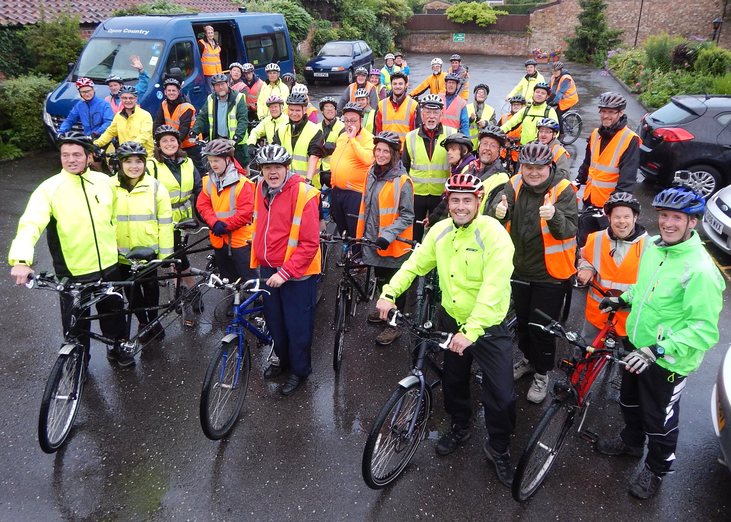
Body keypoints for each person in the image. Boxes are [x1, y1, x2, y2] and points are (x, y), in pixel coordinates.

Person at [376, 172, 516, 488]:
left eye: (468, 200)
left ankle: (499, 448)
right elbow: (414, 265)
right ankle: (460, 425)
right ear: (448, 202)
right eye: (456, 200)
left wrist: (473, 330)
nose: (461, 206)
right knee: (454, 380)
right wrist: (389, 293)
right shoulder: (440, 231)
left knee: (503, 395)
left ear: (479, 202)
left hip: (488, 325)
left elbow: (494, 286)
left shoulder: (493, 234)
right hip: (452, 319)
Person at [595, 185, 724, 500]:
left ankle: (656, 469)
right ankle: (631, 442)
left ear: (692, 222)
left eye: (677, 218)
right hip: (637, 346)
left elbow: (704, 329)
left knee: (660, 420)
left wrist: (660, 349)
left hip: (666, 361)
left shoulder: (701, 271)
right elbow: (644, 290)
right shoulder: (655, 247)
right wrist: (623, 300)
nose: (667, 223)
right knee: (628, 402)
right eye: (664, 215)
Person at [8, 132, 126, 366]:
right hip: (74, 270)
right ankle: (78, 362)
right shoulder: (50, 188)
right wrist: (21, 259)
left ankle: (117, 349)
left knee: (114, 314)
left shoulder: (104, 182)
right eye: (65, 155)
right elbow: (31, 222)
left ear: (89, 156)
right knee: (76, 324)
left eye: (76, 154)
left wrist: (117, 244)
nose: (71, 159)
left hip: (109, 265)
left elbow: (113, 217)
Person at [490, 142, 578, 404]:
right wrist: (498, 213)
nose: (533, 172)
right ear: (522, 167)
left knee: (542, 329)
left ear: (549, 166)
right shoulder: (514, 184)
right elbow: (495, 217)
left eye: (539, 167)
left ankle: (542, 373)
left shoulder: (563, 190)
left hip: (550, 275)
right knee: (524, 325)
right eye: (528, 167)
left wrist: (554, 216)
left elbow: (570, 230)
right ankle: (528, 361)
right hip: (518, 269)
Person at [250, 145, 321, 396]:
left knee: (297, 326)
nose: (272, 172)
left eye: (277, 167)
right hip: (269, 267)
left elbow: (310, 243)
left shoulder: (305, 194)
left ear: (286, 168)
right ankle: (283, 360)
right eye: (267, 168)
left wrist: (286, 272)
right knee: (276, 323)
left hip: (297, 274)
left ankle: (300, 371)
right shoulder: (260, 188)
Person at [111, 141, 173, 347]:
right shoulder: (109, 187)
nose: (134, 166)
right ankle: (143, 322)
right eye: (128, 161)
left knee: (151, 287)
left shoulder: (155, 187)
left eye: (139, 161)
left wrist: (165, 256)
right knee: (132, 292)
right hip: (120, 253)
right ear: (120, 164)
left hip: (149, 252)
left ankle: (153, 320)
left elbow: (165, 223)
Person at [357, 131, 414, 346]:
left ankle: (394, 324)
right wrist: (361, 237)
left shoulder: (402, 181)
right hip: (373, 241)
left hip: (393, 245)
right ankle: (385, 311)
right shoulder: (372, 173)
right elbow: (367, 207)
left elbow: (408, 215)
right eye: (378, 150)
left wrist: (387, 235)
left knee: (395, 285)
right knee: (381, 280)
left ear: (394, 154)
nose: (380, 154)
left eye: (385, 151)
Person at [575, 192, 647, 344]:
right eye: (616, 217)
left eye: (626, 217)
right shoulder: (596, 238)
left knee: (624, 361)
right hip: (597, 313)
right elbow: (584, 257)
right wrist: (586, 268)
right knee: (584, 351)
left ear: (635, 217)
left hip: (629, 319)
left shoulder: (650, 247)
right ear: (608, 218)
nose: (621, 221)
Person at [148, 125, 202, 297]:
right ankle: (192, 290)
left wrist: (203, 215)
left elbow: (198, 188)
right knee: (177, 256)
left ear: (178, 143)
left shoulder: (188, 162)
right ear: (158, 144)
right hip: (163, 219)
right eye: (164, 141)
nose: (169, 144)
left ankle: (178, 289)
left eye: (172, 140)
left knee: (177, 255)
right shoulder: (151, 165)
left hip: (184, 217)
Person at [196, 139, 256, 285]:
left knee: (250, 282)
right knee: (227, 281)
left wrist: (224, 225)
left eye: (216, 160)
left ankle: (257, 303)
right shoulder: (208, 181)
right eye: (210, 161)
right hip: (219, 240)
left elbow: (246, 214)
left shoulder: (244, 184)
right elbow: (202, 204)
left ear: (228, 159)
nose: (213, 164)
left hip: (240, 243)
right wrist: (214, 222)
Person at [427, 126, 510, 225]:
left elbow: (494, 210)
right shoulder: (468, 168)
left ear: (500, 151)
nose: (487, 148)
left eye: (493, 146)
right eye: (485, 143)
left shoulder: (501, 178)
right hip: (456, 228)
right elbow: (450, 199)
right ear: (479, 146)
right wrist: (433, 219)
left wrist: (500, 213)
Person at [402, 94, 455, 240]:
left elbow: (458, 166)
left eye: (435, 112)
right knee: (415, 230)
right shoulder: (410, 137)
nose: (431, 116)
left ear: (441, 114)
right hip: (417, 194)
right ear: (421, 114)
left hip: (440, 194)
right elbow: (404, 167)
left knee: (439, 230)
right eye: (427, 112)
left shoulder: (452, 135)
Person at [575, 92, 640, 210]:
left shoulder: (630, 139)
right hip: (589, 200)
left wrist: (614, 207)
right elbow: (587, 163)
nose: (605, 116)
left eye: (610, 112)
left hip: (608, 207)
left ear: (621, 113)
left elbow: (627, 179)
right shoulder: (595, 134)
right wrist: (578, 181)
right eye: (603, 111)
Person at [329, 102, 374, 239]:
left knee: (354, 230)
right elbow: (336, 159)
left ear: (361, 120)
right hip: (337, 190)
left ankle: (356, 255)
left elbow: (368, 159)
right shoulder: (342, 136)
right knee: (341, 227)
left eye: (353, 120)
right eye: (346, 120)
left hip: (355, 193)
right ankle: (345, 250)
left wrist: (353, 139)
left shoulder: (368, 138)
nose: (349, 124)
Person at [190, 73, 250, 167]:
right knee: (220, 169)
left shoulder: (238, 98)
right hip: (218, 140)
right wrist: (194, 132)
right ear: (213, 87)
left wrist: (236, 137)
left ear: (227, 84)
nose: (220, 87)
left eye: (222, 84)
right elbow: (202, 116)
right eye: (217, 85)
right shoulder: (211, 99)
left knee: (241, 170)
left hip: (236, 142)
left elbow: (243, 119)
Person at [153, 77, 204, 174]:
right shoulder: (164, 104)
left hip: (190, 144)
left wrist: (173, 144)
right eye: (169, 90)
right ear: (165, 92)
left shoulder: (186, 107)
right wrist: (157, 140)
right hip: (174, 143)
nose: (171, 93)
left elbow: (184, 129)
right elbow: (158, 122)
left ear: (178, 91)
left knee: (196, 171)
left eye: (174, 91)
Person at [273, 92, 323, 183]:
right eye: (291, 110)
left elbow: (314, 156)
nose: (294, 113)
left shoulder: (315, 131)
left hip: (307, 183)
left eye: (298, 110)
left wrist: (308, 180)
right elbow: (275, 154)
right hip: (286, 182)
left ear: (304, 110)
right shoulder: (281, 130)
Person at [94, 85, 154, 155]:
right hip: (125, 155)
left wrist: (129, 146)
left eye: (131, 98)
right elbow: (110, 132)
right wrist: (96, 144)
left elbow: (145, 135)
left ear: (136, 99)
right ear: (120, 99)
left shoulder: (145, 115)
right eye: (124, 98)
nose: (128, 100)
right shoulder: (118, 116)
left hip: (144, 155)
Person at [374, 71, 418, 146]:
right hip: (386, 151)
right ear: (391, 85)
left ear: (406, 85)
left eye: (400, 84)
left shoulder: (414, 105)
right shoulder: (381, 105)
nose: (397, 86)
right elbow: (377, 131)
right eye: (395, 84)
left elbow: (416, 133)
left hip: (404, 152)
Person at [316, 96, 345, 192]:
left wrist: (325, 148)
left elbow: (343, 147)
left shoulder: (342, 127)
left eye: (332, 107)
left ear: (336, 111)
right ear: (322, 111)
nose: (329, 110)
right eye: (326, 107)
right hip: (318, 169)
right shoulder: (316, 127)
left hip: (334, 169)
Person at [547, 61, 579, 134]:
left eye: (556, 71)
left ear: (560, 70)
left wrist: (553, 102)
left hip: (569, 100)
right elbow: (548, 88)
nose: (554, 72)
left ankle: (561, 134)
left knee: (557, 115)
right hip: (560, 99)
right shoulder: (553, 77)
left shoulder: (566, 79)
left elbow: (560, 93)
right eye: (553, 71)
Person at [499, 94, 525, 167]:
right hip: (504, 152)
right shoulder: (505, 117)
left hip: (518, 153)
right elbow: (498, 130)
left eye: (518, 105)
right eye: (514, 104)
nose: (516, 106)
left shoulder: (526, 118)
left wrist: (517, 139)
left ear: (523, 106)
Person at [467, 83, 497, 148]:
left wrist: (486, 123)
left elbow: (494, 124)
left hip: (483, 146)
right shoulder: (466, 108)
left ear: (486, 96)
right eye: (479, 93)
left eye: (483, 93)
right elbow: (460, 124)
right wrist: (470, 120)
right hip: (467, 144)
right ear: (475, 95)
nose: (481, 94)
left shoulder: (491, 110)